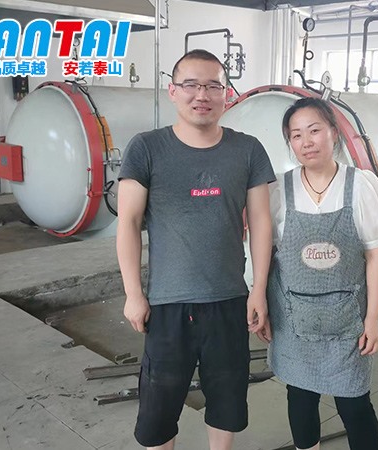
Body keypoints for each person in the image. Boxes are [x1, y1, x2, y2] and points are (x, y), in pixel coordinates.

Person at [116, 49, 276, 450]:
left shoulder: (248, 149)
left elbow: (261, 222)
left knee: (226, 403)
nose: (201, 94)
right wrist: (133, 294)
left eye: (212, 86)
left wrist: (258, 289)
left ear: (226, 94)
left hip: (229, 300)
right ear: (172, 91)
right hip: (168, 305)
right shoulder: (146, 148)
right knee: (158, 412)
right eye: (190, 84)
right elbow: (129, 223)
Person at [265, 97, 378, 450]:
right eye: (296, 135)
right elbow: (265, 255)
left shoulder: (361, 186)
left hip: (347, 322)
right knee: (300, 398)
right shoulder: (279, 190)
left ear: (334, 133)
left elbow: (376, 257)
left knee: (354, 404)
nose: (306, 142)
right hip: (294, 320)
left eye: (314, 130)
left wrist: (373, 319)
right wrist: (258, 300)